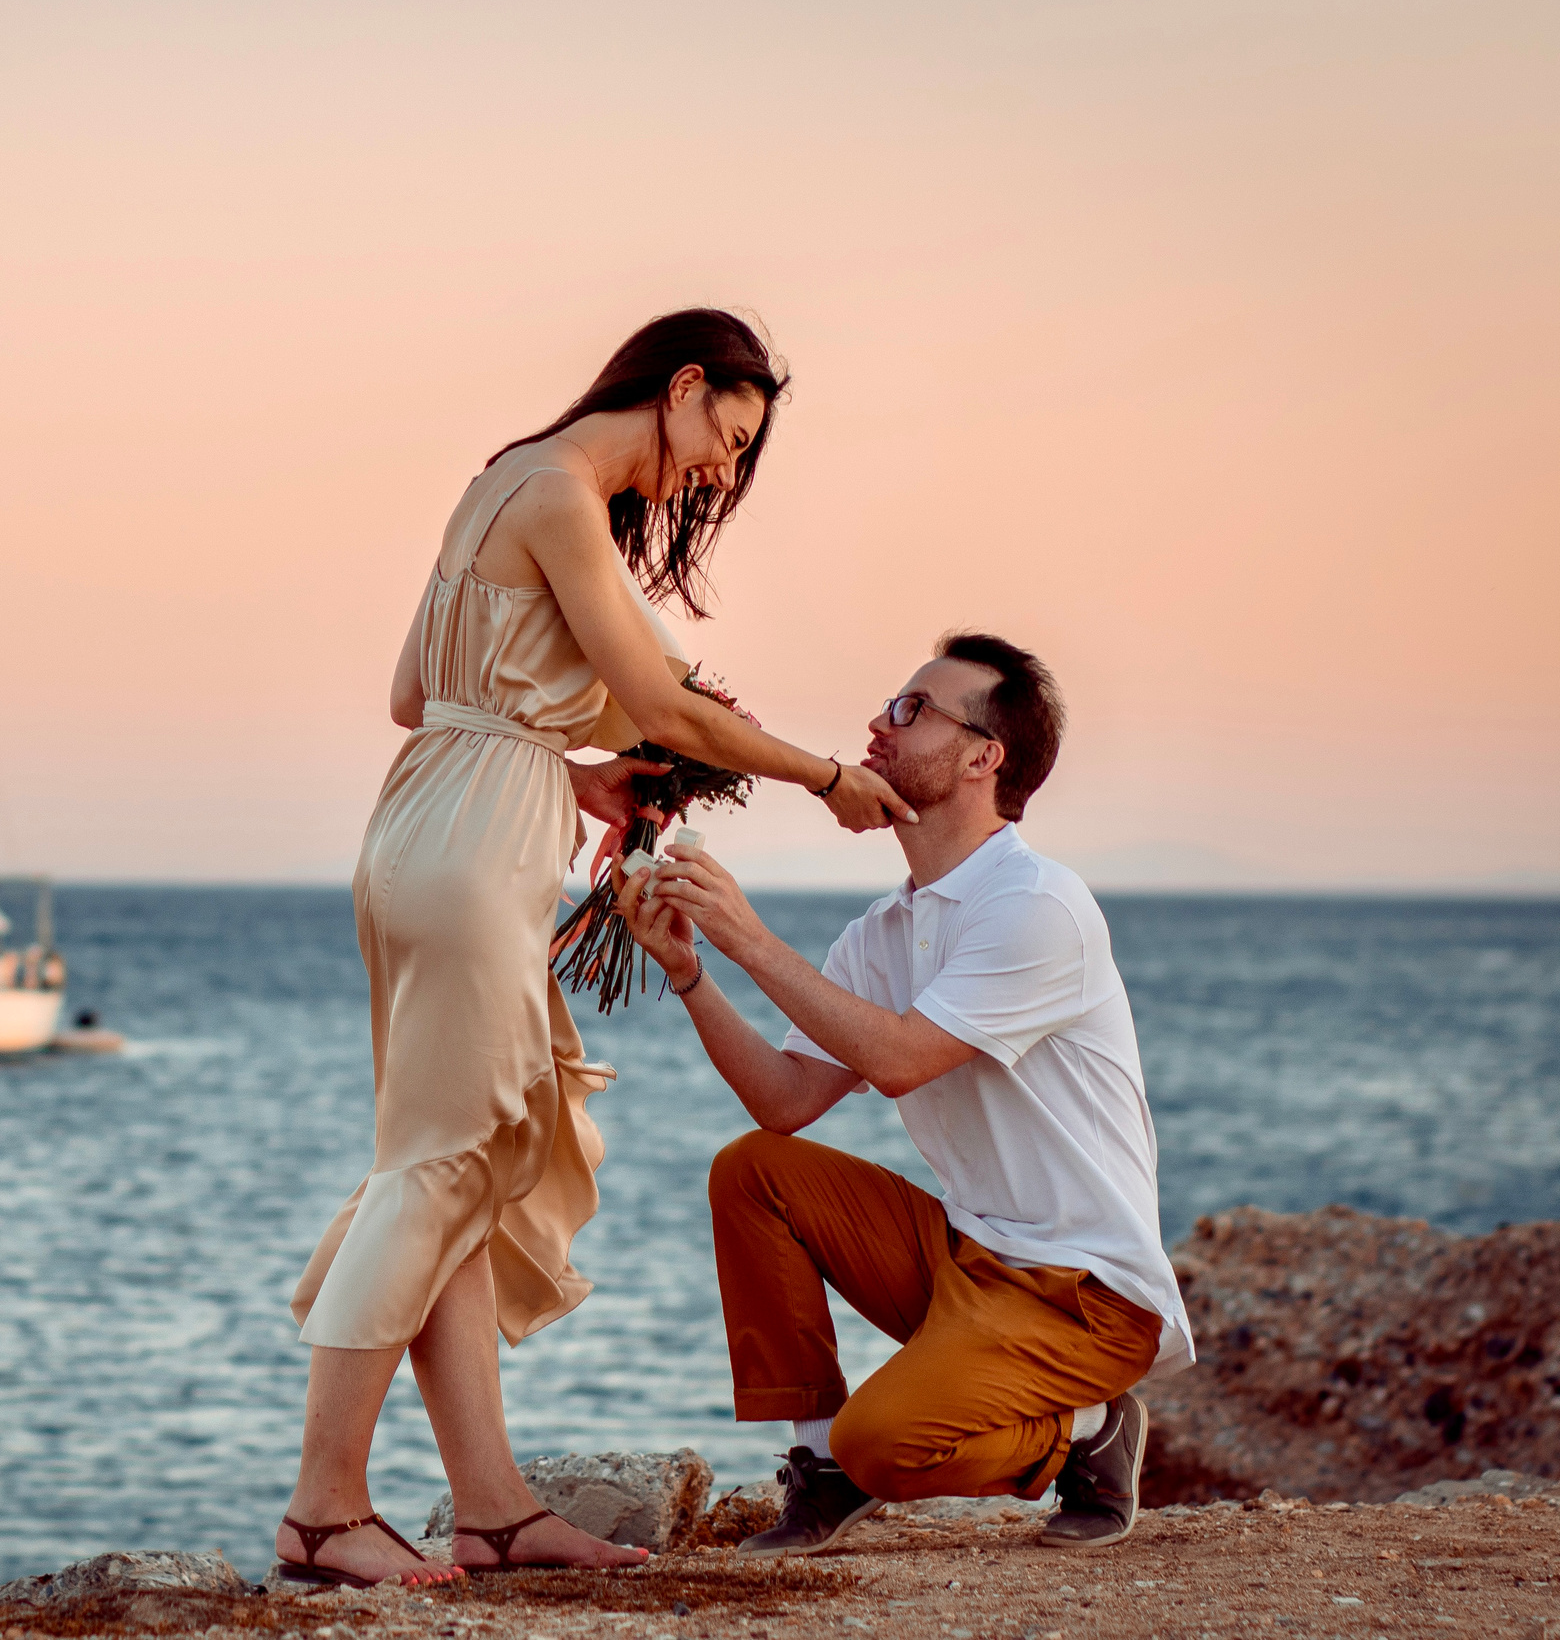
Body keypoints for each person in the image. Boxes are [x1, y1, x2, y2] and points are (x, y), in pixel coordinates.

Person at [274, 310, 917, 1589]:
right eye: (725, 438)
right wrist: (823, 775)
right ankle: (320, 1512)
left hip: (428, 819)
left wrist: (562, 772)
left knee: (452, 1171)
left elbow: (419, 695)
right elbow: (670, 698)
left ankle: (496, 1514)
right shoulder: (561, 492)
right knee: (441, 1167)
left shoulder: (497, 483)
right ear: (680, 388)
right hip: (466, 854)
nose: (719, 475)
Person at [618, 632, 1195, 1557]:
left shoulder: (1037, 907)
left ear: (982, 757)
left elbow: (900, 1061)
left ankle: (1091, 1430)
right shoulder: (887, 928)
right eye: (892, 704)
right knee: (754, 1169)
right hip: (966, 1258)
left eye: (913, 709)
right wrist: (692, 971)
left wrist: (751, 938)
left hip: (1085, 1295)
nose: (880, 726)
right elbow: (786, 1100)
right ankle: (818, 1475)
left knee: (885, 1444)